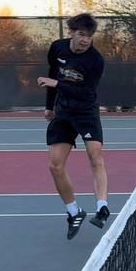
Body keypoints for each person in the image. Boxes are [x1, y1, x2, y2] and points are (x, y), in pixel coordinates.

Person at [37, 13, 110, 240]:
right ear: (71, 32)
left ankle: (102, 207)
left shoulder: (95, 61)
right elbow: (51, 75)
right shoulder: (57, 48)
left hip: (85, 111)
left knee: (95, 156)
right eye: (81, 34)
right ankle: (73, 212)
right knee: (55, 166)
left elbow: (86, 92)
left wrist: (58, 84)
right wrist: (50, 106)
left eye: (89, 36)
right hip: (63, 112)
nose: (85, 40)